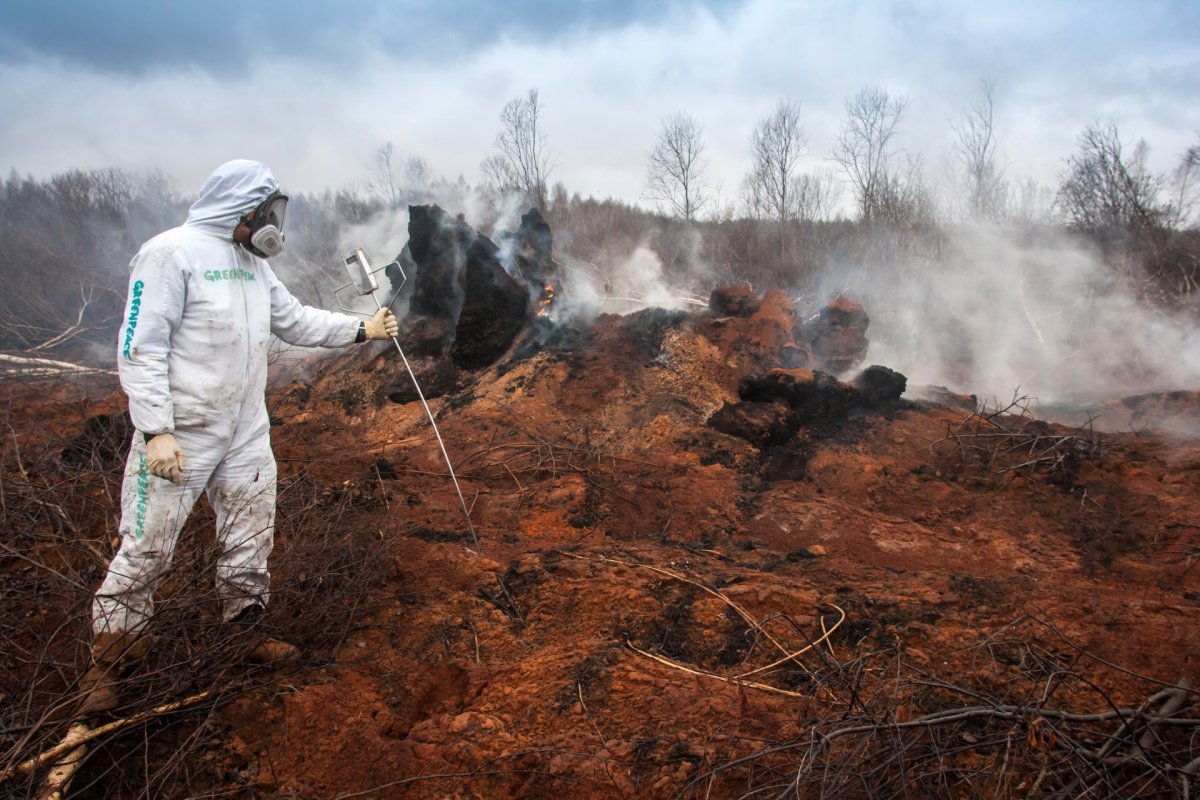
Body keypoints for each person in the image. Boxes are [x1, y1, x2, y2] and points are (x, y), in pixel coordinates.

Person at [79, 160, 398, 716]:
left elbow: (292, 320)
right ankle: (109, 661)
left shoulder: (251, 263)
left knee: (251, 531)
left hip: (245, 428)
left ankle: (244, 630)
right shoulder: (169, 255)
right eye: (268, 211)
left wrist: (358, 328)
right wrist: (155, 430)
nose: (274, 222)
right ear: (240, 209)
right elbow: (140, 346)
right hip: (182, 434)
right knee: (147, 544)